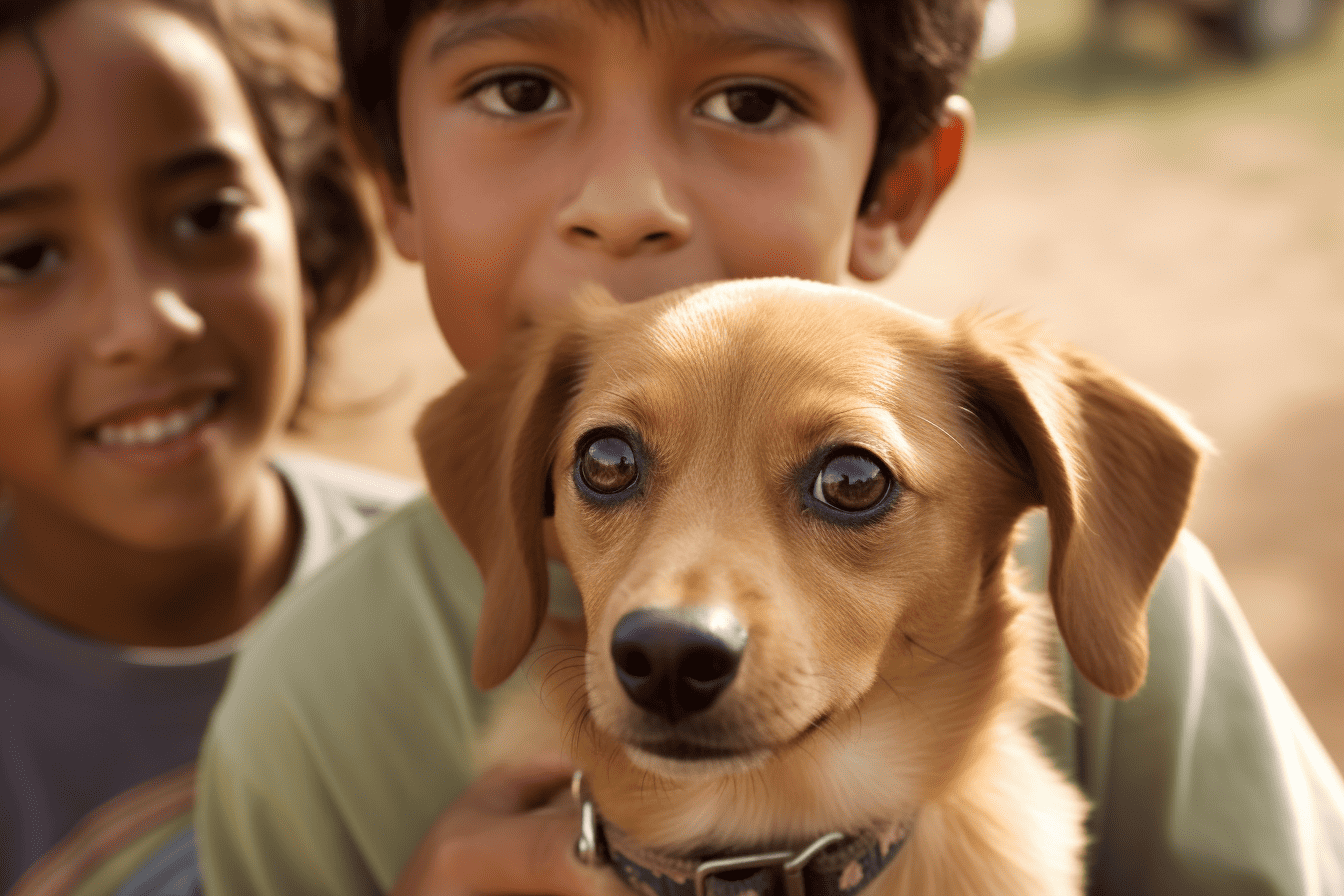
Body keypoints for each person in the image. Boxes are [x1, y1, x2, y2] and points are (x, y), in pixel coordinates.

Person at [195, 1, 1344, 894]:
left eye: (850, 481)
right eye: (610, 467)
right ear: (387, 166)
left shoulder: (1122, 588)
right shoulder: (307, 715)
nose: (628, 201)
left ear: (895, 184)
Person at [0, 0, 421, 892]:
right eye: (26, 258)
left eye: (206, 214)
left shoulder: (479, 603)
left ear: (302, 210)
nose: (151, 324)